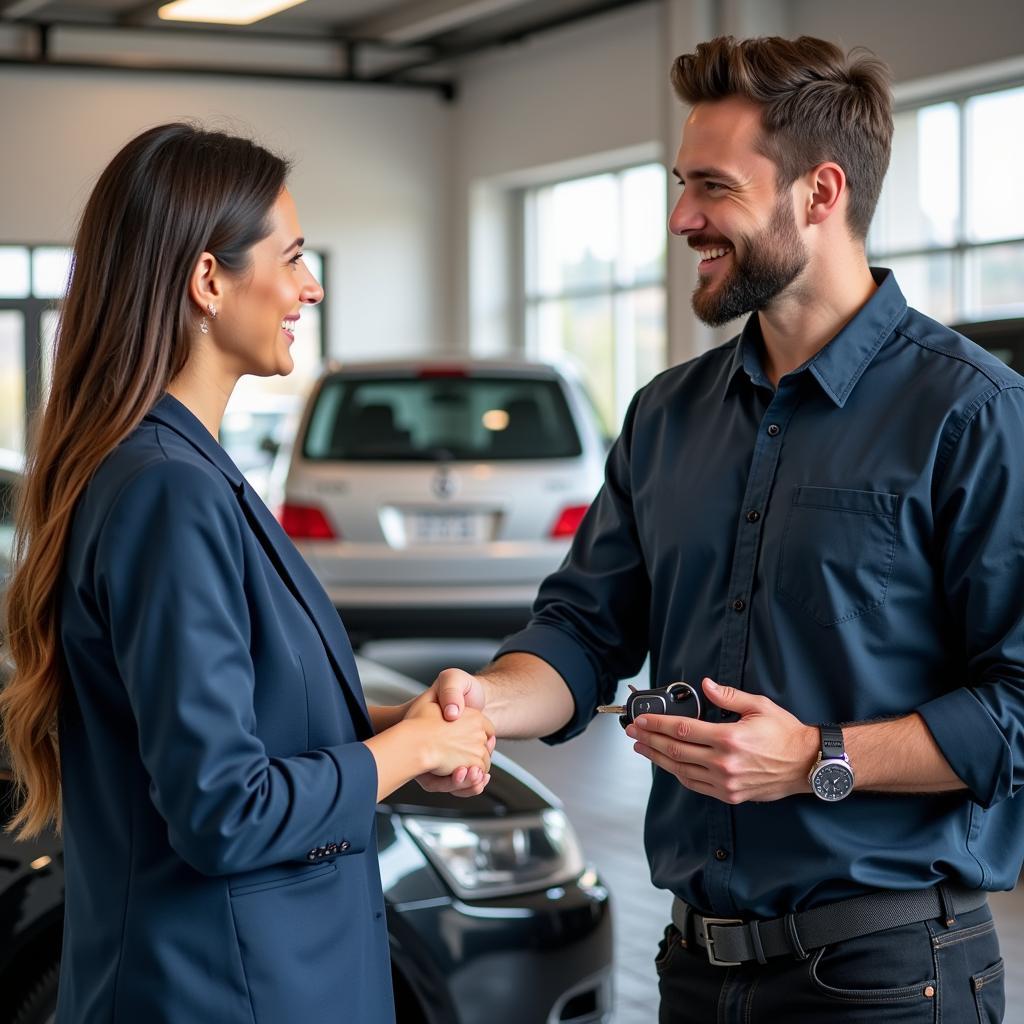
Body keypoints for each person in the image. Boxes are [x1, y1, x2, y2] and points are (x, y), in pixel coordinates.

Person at [424, 36, 1021, 1020]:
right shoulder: (665, 416)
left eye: (712, 187)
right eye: (679, 184)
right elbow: (580, 633)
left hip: (887, 975)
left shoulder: (971, 413)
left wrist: (819, 757)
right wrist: (479, 700)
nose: (681, 218)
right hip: (695, 969)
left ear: (818, 193)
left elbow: (1018, 705)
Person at [0, 122, 495, 1023]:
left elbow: (243, 722)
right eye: (295, 257)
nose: (310, 288)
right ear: (207, 280)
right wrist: (412, 751)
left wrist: (399, 726)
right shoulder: (167, 492)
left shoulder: (180, 472)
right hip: (226, 992)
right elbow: (224, 809)